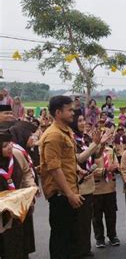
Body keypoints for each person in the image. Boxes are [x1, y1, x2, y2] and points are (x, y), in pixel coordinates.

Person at [39, 96, 84, 259]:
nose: (73, 112)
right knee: (61, 241)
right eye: (69, 110)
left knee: (70, 239)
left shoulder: (65, 131)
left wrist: (77, 170)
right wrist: (70, 194)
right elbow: (54, 169)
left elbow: (66, 162)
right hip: (61, 196)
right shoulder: (53, 135)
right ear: (58, 112)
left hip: (68, 192)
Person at [71, 110, 112, 258]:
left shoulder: (84, 138)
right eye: (79, 120)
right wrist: (95, 143)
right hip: (78, 184)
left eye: (83, 120)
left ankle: (85, 248)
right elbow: (80, 159)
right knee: (79, 221)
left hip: (89, 184)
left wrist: (101, 144)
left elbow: (96, 155)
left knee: (86, 219)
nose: (83, 123)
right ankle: (79, 250)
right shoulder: (72, 139)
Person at [0, 132, 37, 259]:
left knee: (20, 242)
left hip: (19, 206)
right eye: (5, 146)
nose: (10, 147)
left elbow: (27, 172)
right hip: (2, 211)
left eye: (10, 143)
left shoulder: (16, 155)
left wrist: (31, 187)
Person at [92, 132, 120, 248]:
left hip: (110, 188)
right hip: (96, 189)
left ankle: (112, 236)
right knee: (96, 216)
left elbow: (116, 164)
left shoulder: (110, 150)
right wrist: (105, 170)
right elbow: (90, 170)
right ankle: (99, 238)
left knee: (111, 214)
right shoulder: (92, 152)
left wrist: (115, 168)